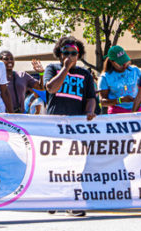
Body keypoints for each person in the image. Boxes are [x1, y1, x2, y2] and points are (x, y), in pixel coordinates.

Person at [44, 36, 97, 217]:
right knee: (55, 163)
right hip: (55, 124)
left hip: (76, 125)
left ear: (79, 55)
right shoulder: (52, 69)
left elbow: (91, 97)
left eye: (74, 53)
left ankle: (70, 201)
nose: (70, 56)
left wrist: (90, 111)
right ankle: (54, 198)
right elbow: (51, 88)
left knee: (74, 164)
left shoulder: (85, 74)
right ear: (59, 54)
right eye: (66, 53)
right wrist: (65, 68)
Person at [99, 45, 141, 114]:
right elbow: (103, 102)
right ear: (112, 62)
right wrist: (120, 100)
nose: (124, 65)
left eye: (125, 61)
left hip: (136, 109)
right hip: (117, 112)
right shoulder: (105, 77)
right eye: (120, 63)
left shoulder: (135, 70)